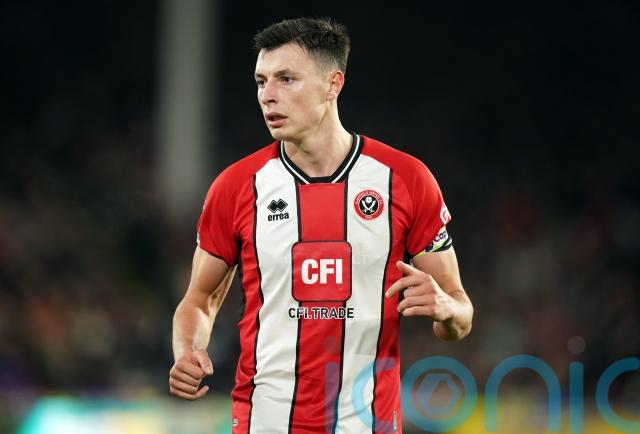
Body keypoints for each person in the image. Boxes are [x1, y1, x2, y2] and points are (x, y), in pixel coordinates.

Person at [169, 17, 473, 433]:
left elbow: (459, 313)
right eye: (261, 82)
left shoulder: (405, 180)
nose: (268, 96)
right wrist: (188, 351)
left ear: (333, 84)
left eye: (286, 79)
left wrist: (448, 309)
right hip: (266, 422)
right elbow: (199, 300)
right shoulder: (236, 187)